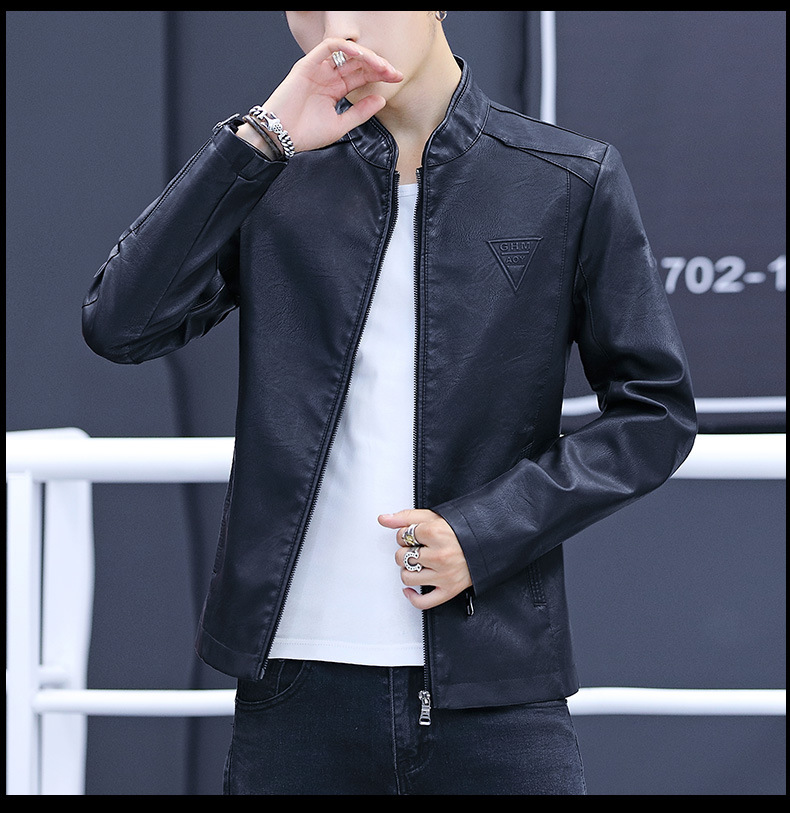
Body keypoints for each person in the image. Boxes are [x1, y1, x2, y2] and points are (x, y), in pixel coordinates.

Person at [82, 11, 697, 796]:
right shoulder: (272, 173)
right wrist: (262, 139)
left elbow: (655, 412)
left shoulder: (566, 178)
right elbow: (121, 324)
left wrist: (484, 531)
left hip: (496, 687)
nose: (339, 28)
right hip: (294, 687)